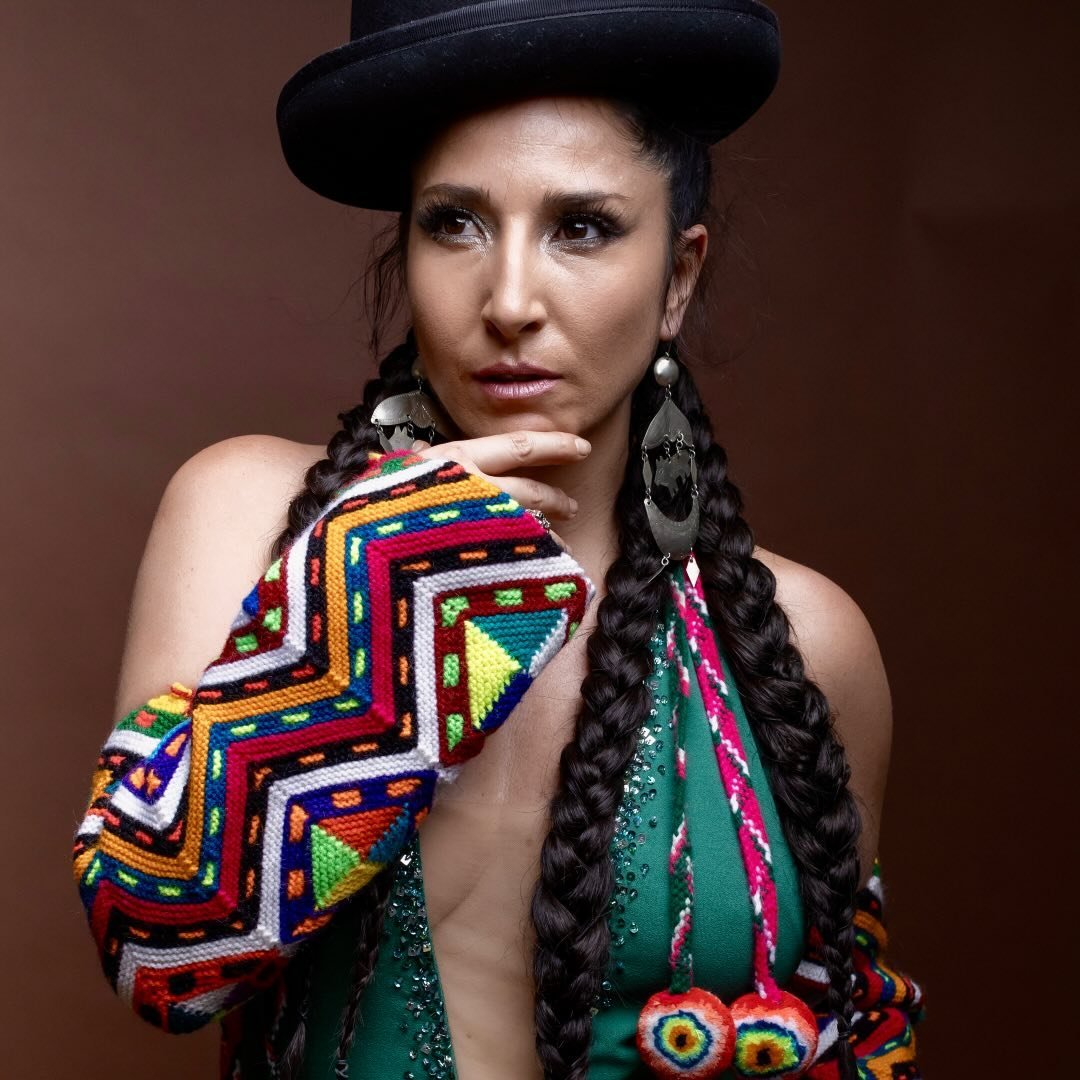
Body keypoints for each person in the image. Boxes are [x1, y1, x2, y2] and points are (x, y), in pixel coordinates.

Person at [73, 3, 923, 1078]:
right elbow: (154, 947)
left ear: (679, 277)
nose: (511, 300)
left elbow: (855, 1034)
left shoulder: (800, 643)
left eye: (583, 228)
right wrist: (394, 581)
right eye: (455, 223)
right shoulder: (252, 516)